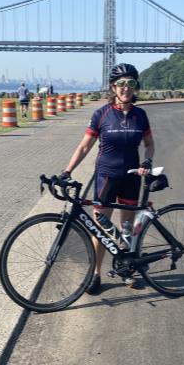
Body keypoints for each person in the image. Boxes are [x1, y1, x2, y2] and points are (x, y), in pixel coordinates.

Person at [59, 63, 155, 294]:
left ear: (135, 87)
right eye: (121, 84)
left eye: (130, 83)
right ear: (113, 87)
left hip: (131, 178)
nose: (125, 88)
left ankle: (126, 269)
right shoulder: (101, 114)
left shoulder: (140, 115)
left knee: (127, 228)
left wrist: (147, 162)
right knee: (101, 230)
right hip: (106, 178)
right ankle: (96, 274)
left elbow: (149, 144)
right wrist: (67, 171)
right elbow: (84, 147)